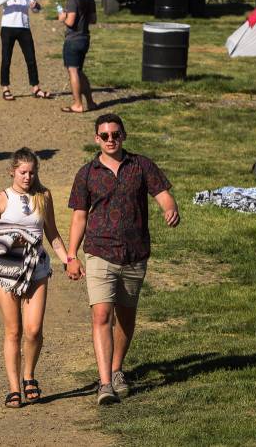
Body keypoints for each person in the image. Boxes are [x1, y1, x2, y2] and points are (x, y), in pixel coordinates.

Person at [66, 113, 180, 405]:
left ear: (123, 135)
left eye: (115, 134)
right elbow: (79, 216)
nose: (110, 140)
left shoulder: (141, 165)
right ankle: (105, 384)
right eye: (104, 135)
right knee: (102, 315)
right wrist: (71, 255)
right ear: (97, 139)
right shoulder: (87, 173)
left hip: (134, 253)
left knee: (126, 317)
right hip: (99, 251)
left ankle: (117, 370)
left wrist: (170, 209)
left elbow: (163, 194)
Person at [0, 147, 71, 408]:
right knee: (14, 330)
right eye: (22, 172)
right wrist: (10, 239)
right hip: (5, 270)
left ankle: (29, 375)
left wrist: (68, 260)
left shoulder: (43, 196)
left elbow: (52, 233)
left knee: (33, 330)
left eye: (32, 172)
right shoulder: (0, 200)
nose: (27, 177)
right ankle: (13, 388)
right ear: (12, 171)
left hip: (36, 268)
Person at [0, 0, 52, 101]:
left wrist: (35, 6)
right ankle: (5, 88)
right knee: (6, 58)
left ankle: (36, 88)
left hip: (24, 27)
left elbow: (36, 9)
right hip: (8, 27)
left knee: (31, 58)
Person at [58, 0, 98, 113]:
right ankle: (90, 102)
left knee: (73, 71)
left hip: (73, 40)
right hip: (85, 38)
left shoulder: (73, 0)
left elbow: (70, 22)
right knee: (79, 71)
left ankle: (78, 104)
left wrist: (63, 17)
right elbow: (93, 20)